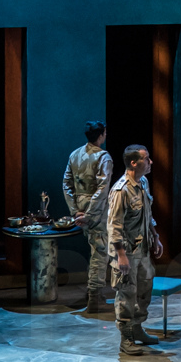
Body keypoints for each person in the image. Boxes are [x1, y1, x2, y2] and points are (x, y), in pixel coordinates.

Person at [109, 144, 164, 355]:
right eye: (146, 158)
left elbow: (147, 213)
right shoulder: (120, 190)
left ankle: (138, 329)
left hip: (143, 249)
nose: (150, 162)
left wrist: (156, 236)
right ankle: (126, 339)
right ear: (134, 163)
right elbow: (114, 226)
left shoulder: (143, 183)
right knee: (126, 294)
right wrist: (121, 256)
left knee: (144, 290)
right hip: (127, 252)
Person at [63, 119, 114, 314]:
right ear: (101, 134)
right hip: (97, 209)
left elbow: (66, 184)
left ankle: (96, 294)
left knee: (95, 249)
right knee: (100, 252)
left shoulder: (75, 154)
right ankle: (95, 297)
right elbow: (102, 189)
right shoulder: (103, 157)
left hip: (82, 206)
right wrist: (90, 213)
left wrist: (75, 210)